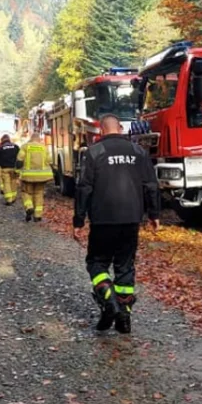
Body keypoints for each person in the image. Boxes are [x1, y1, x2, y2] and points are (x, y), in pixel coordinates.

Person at [73, 114, 160, 334]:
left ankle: (108, 299)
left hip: (103, 219)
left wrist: (79, 219)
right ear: (120, 128)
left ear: (102, 130)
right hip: (131, 218)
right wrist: (154, 214)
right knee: (125, 266)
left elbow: (84, 188)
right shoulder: (138, 151)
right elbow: (150, 184)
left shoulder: (94, 152)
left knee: (97, 262)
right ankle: (124, 316)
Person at [16, 131, 53, 222]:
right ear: (39, 139)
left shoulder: (25, 147)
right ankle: (37, 215)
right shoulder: (44, 147)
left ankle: (29, 207)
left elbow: (19, 161)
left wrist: (17, 171)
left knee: (26, 192)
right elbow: (49, 161)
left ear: (31, 138)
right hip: (41, 176)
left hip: (28, 176)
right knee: (39, 194)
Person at [0, 134, 20, 206]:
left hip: (5, 168)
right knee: (13, 182)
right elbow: (20, 157)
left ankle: (9, 199)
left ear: (2, 140)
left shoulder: (0, 148)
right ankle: (14, 197)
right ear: (9, 139)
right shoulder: (15, 146)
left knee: (6, 183)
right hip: (14, 168)